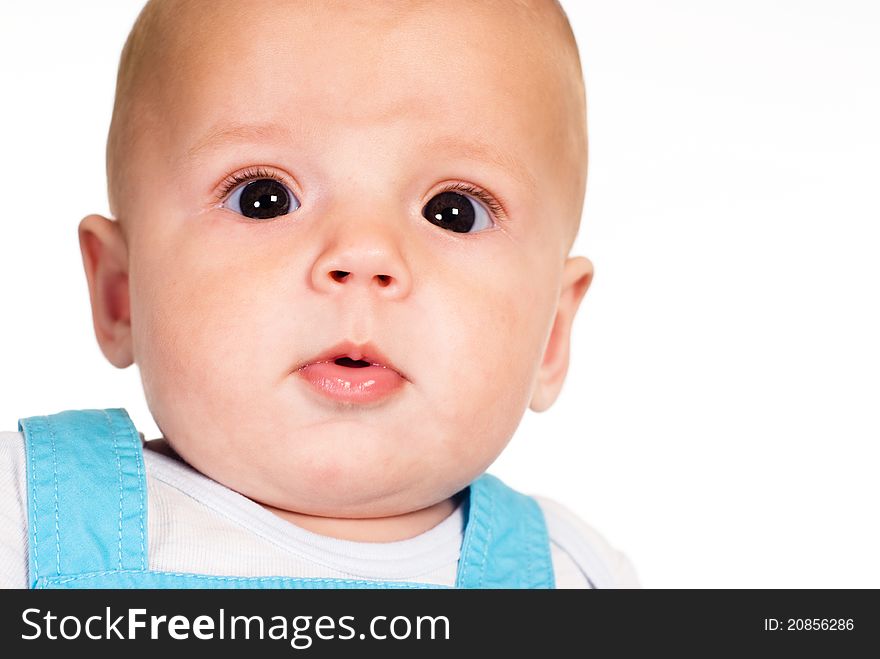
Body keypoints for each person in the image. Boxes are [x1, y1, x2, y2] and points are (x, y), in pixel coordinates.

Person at [0, 0, 638, 589]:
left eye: (453, 212)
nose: (362, 256)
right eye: (264, 199)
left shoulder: (575, 578)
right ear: (121, 293)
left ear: (552, 333)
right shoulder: (26, 516)